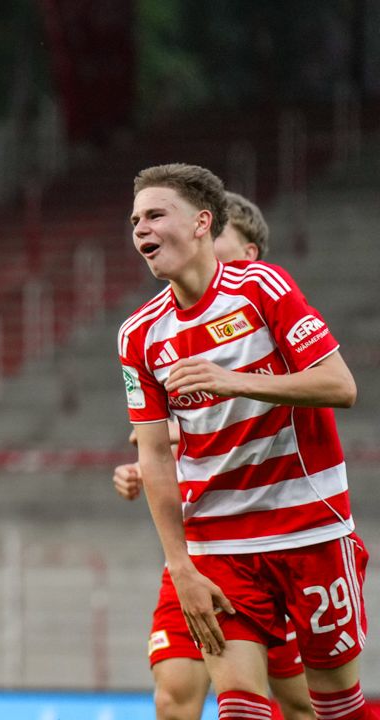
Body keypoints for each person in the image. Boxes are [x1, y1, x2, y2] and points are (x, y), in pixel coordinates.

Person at [117, 164, 363, 720]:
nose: (140, 230)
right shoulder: (138, 336)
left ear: (203, 222)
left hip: (310, 527)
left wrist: (234, 380)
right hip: (218, 545)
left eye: (155, 215)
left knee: (332, 707)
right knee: (239, 709)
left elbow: (340, 386)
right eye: (135, 220)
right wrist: (180, 565)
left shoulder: (262, 288)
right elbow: (154, 453)